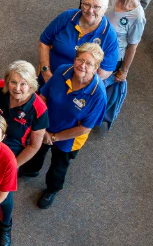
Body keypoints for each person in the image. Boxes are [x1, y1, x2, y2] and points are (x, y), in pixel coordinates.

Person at [21, 43, 107, 208]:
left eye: (89, 64)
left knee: (59, 166)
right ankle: (31, 169)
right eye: (80, 60)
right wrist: (43, 128)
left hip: (69, 138)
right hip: (46, 125)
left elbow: (85, 128)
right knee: (37, 148)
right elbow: (44, 96)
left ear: (96, 68)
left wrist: (54, 137)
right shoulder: (62, 71)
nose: (82, 65)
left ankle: (52, 189)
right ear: (75, 60)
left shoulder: (98, 95)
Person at [0, 61, 48, 246]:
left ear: (31, 85)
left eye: (23, 84)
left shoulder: (38, 110)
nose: (17, 88)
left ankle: (6, 224)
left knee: (3, 194)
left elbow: (34, 145)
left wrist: (12, 166)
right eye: (13, 82)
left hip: (9, 155)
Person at [39, 0, 119, 82]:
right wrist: (46, 73)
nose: (90, 10)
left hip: (77, 89)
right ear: (81, 4)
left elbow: (103, 73)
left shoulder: (109, 36)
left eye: (96, 7)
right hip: (48, 76)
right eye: (87, 4)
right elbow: (44, 42)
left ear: (104, 9)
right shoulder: (67, 16)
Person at [101, 0, 146, 129]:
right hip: (96, 45)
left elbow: (133, 45)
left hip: (112, 56)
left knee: (97, 84)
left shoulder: (138, 16)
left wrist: (125, 70)